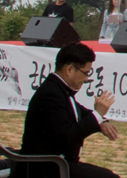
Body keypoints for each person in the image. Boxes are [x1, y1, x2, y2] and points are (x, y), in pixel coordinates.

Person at [19, 43, 120, 178]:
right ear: (69, 70)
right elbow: (66, 136)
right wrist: (97, 115)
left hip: (56, 165)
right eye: (85, 73)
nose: (86, 79)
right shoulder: (51, 94)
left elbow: (80, 113)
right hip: (44, 169)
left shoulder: (58, 90)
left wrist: (102, 121)